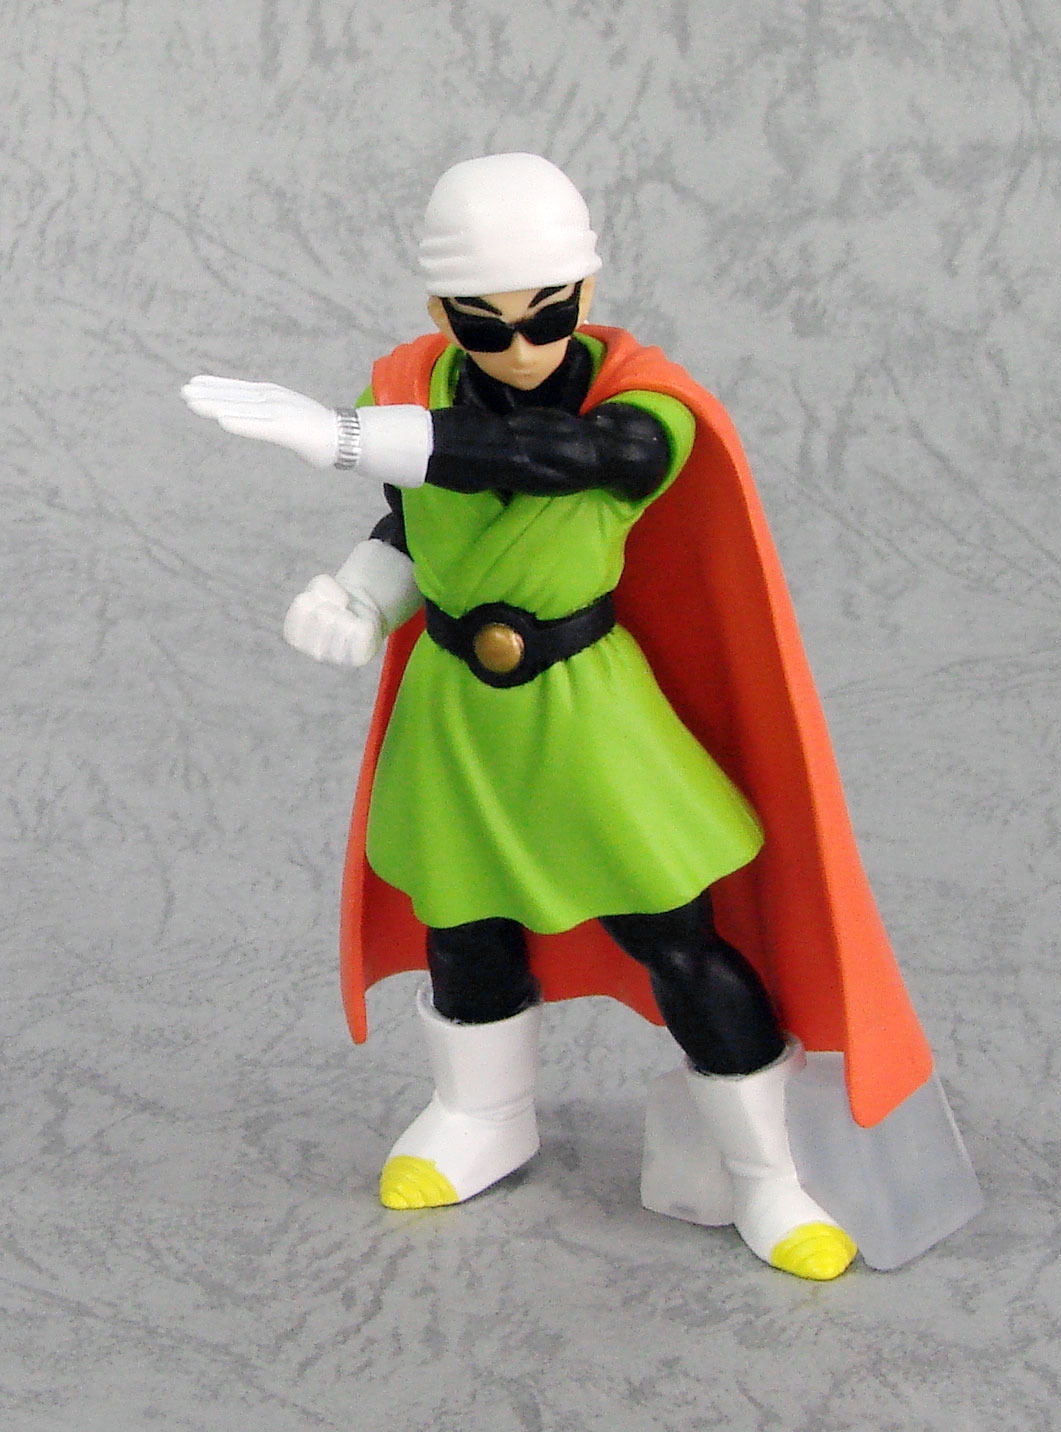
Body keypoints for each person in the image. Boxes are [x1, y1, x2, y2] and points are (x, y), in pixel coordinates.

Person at [182, 154, 943, 1282]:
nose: (524, 348)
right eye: (487, 325)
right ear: (442, 311)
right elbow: (414, 522)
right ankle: (481, 1113)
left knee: (672, 927)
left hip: (587, 708)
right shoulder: (414, 389)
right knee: (461, 914)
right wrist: (358, 593)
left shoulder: (641, 411)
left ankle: (767, 1168)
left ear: (585, 291)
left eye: (548, 316)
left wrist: (347, 434)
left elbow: (558, 459)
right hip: (457, 709)